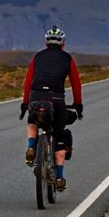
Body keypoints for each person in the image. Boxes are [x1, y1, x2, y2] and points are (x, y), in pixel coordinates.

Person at [20, 26, 83, 191]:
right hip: (56, 98)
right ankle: (60, 176)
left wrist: (26, 102)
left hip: (36, 96)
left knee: (32, 119)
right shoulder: (67, 58)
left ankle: (32, 147)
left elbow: (28, 81)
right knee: (59, 134)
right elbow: (76, 84)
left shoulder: (38, 56)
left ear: (46, 43)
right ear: (62, 43)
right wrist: (78, 104)